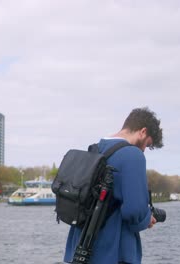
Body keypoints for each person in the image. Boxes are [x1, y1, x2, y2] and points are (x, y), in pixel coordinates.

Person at [64, 107, 164, 264]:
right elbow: (134, 211)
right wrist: (147, 219)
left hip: (80, 248)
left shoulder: (96, 149)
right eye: (147, 144)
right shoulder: (133, 155)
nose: (144, 150)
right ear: (143, 131)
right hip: (113, 252)